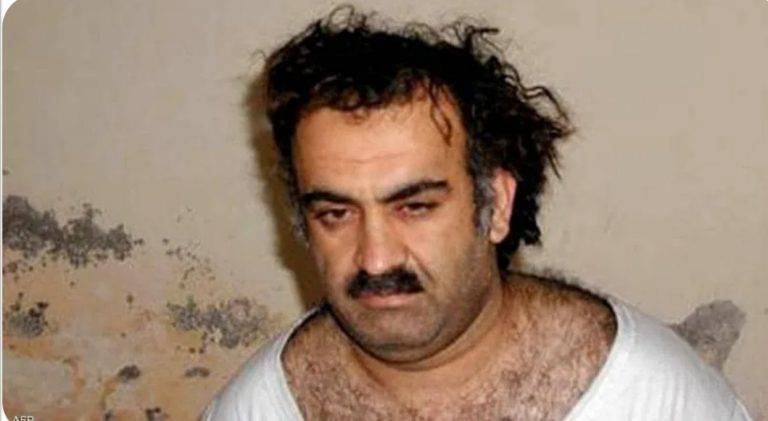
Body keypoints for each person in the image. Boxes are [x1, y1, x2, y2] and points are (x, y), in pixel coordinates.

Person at [203, 7, 752, 420]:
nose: (375, 259)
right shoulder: (255, 410)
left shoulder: (653, 400)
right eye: (336, 214)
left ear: (496, 205)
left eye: (414, 207)